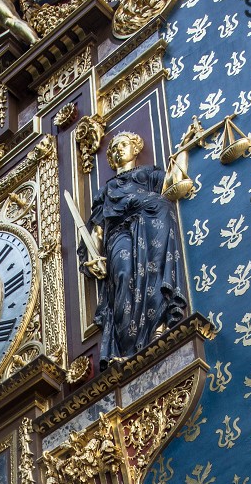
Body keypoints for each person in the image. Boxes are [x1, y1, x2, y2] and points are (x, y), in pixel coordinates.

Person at [80, 131, 188, 366]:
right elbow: (98, 229)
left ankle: (157, 328)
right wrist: (93, 255)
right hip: (120, 233)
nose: (119, 149)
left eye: (124, 144)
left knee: (154, 276)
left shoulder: (148, 174)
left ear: (135, 149)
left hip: (151, 227)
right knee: (123, 275)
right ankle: (128, 348)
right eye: (114, 148)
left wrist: (183, 152)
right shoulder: (106, 191)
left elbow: (173, 185)